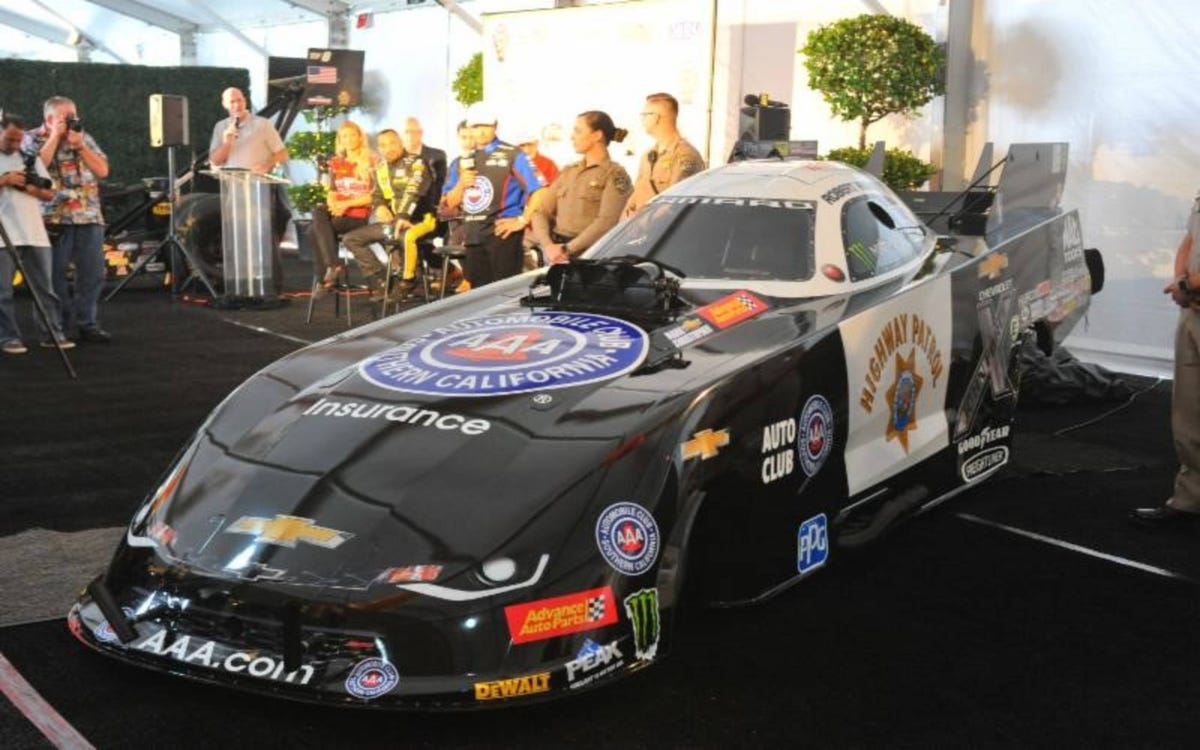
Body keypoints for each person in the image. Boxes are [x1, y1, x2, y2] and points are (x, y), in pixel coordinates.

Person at [1131, 198, 1200, 527]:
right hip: (1193, 313)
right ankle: (1190, 501)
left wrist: (1187, 285)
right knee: (1188, 417)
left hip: (1192, 296)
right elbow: (1189, 238)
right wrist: (1181, 280)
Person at [22, 96, 111, 342]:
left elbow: (103, 171)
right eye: (66, 117)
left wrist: (80, 146)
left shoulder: (84, 137)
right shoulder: (31, 138)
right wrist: (53, 138)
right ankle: (54, 328)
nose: (73, 121)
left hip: (89, 215)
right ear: (49, 119)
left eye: (74, 116)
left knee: (92, 274)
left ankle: (88, 324)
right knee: (52, 277)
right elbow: (34, 171)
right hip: (52, 218)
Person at [441, 103, 546, 288]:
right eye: (475, 127)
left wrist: (522, 220)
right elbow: (447, 205)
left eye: (485, 126)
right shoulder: (461, 162)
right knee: (478, 297)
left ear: (495, 126)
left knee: (505, 295)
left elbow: (540, 190)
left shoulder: (513, 154)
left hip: (503, 235)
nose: (480, 132)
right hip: (473, 236)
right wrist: (461, 184)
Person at [0, 114, 73, 354]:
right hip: (3, 235)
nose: (14, 144)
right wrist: (4, 180)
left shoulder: (29, 158)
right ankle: (8, 337)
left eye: (18, 139)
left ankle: (52, 333)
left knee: (45, 289)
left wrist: (26, 186)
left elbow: (49, 193)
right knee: (3, 291)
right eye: (10, 139)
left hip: (34, 231)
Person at [208, 87, 290, 293]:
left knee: (263, 234)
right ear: (224, 105)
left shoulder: (262, 125)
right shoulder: (221, 127)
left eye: (239, 100)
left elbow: (282, 153)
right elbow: (214, 160)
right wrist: (227, 142)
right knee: (236, 234)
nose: (236, 105)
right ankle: (241, 281)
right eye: (232, 102)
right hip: (233, 190)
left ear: (245, 101)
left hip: (258, 189)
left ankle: (272, 283)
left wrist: (267, 165)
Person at [342, 125, 436, 301]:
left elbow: (414, 191)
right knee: (351, 239)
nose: (388, 148)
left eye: (392, 143)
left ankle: (408, 281)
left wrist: (402, 217)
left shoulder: (417, 162)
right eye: (383, 145)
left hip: (423, 219)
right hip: (393, 222)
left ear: (400, 143)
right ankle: (382, 280)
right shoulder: (381, 167)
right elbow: (377, 195)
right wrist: (379, 206)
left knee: (404, 236)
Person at [530, 111, 632, 264]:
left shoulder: (614, 174)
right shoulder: (568, 171)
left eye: (578, 131)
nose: (572, 136)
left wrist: (568, 249)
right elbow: (540, 212)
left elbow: (607, 222)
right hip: (555, 254)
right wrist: (548, 246)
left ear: (597, 135)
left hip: (589, 257)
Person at [307, 120, 374, 294]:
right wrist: (335, 206)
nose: (349, 139)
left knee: (313, 231)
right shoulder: (336, 163)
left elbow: (373, 196)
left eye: (352, 135)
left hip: (357, 216)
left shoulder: (371, 161)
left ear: (360, 137)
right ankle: (332, 266)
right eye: (345, 136)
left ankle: (325, 277)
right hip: (338, 212)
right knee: (318, 211)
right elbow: (331, 192)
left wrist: (345, 205)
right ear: (340, 140)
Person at [622, 92, 705, 219]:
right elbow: (634, 198)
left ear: (656, 118)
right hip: (639, 233)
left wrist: (641, 223)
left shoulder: (685, 155)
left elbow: (673, 205)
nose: (642, 119)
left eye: (644, 115)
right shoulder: (648, 155)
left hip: (661, 233)